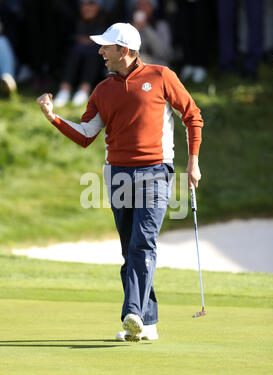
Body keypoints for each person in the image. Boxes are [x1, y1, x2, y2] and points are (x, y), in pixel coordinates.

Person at [37, 22, 203, 342]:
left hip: (155, 171)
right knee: (131, 249)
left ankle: (133, 315)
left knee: (143, 242)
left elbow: (192, 116)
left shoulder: (161, 77)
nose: (100, 52)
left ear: (125, 51)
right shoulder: (102, 90)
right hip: (117, 175)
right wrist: (53, 118)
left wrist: (193, 161)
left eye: (106, 47)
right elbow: (86, 135)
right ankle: (148, 322)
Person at [53, 0, 107, 107]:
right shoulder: (73, 19)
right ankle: (65, 89)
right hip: (75, 56)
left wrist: (92, 41)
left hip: (97, 59)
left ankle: (84, 89)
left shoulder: (107, 20)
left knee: (93, 51)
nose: (86, 7)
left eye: (91, 3)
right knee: (75, 50)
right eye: (83, 4)